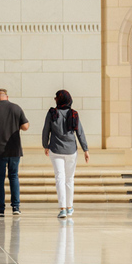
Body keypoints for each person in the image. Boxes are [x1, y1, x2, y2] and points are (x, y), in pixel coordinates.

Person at [42, 90, 90, 218]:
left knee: (60, 178)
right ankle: (69, 207)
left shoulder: (52, 113)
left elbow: (46, 130)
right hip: (71, 151)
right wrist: (85, 149)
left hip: (56, 150)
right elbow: (80, 132)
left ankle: (62, 208)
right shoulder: (73, 114)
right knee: (69, 179)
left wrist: (45, 145)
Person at [0, 88, 29, 217]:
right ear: (7, 97)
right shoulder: (16, 108)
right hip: (14, 150)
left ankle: (1, 209)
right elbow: (25, 126)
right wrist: (16, 124)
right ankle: (16, 207)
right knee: (14, 177)